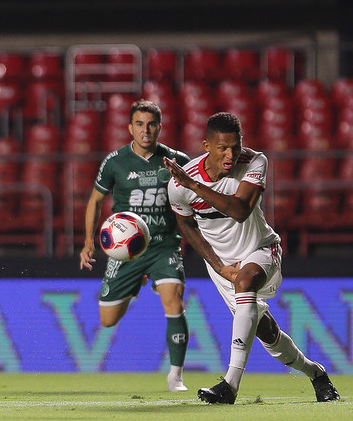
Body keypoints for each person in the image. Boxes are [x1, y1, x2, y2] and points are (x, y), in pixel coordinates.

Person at [165, 112, 340, 404]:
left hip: (261, 250)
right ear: (206, 145)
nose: (230, 154)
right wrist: (221, 268)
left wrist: (195, 186)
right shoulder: (178, 185)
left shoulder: (254, 161)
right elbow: (186, 225)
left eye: (235, 145)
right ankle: (315, 373)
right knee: (267, 332)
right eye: (222, 148)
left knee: (245, 280)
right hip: (223, 267)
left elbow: (241, 210)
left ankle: (230, 385)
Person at [79, 100, 191, 392]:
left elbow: (195, 198)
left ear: (159, 127)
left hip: (164, 246)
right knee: (107, 320)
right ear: (130, 128)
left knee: (174, 300)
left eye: (151, 124)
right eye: (139, 124)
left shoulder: (175, 159)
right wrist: (88, 241)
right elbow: (94, 201)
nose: (146, 130)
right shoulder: (115, 162)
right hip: (126, 251)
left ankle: (176, 376)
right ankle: (135, 287)